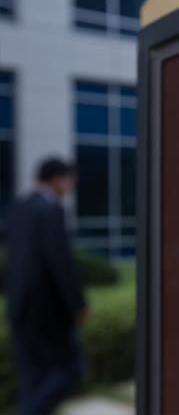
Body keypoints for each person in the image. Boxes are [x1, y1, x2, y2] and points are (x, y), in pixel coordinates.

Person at [6, 157, 88, 414]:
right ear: (56, 179)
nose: (71, 186)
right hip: (46, 311)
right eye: (70, 180)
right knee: (71, 369)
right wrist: (78, 303)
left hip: (18, 305)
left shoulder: (19, 206)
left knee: (32, 376)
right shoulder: (51, 210)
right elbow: (60, 262)